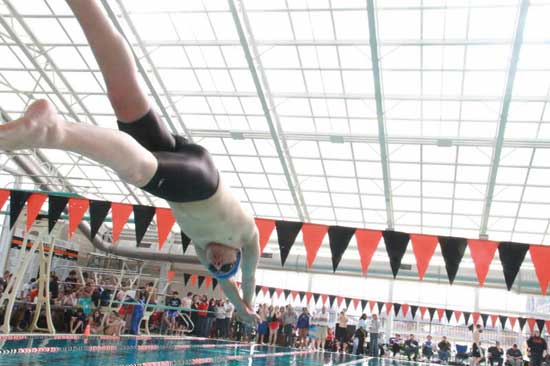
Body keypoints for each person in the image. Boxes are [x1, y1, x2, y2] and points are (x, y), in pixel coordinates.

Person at [0, 0, 261, 327]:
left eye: (215, 268)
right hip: (201, 182)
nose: (217, 263)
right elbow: (246, 275)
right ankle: (55, 131)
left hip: (183, 160)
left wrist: (237, 307)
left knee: (125, 101)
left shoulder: (201, 244)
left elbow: (226, 283)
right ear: (237, 253)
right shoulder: (246, 236)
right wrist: (246, 303)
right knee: (138, 171)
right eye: (226, 265)